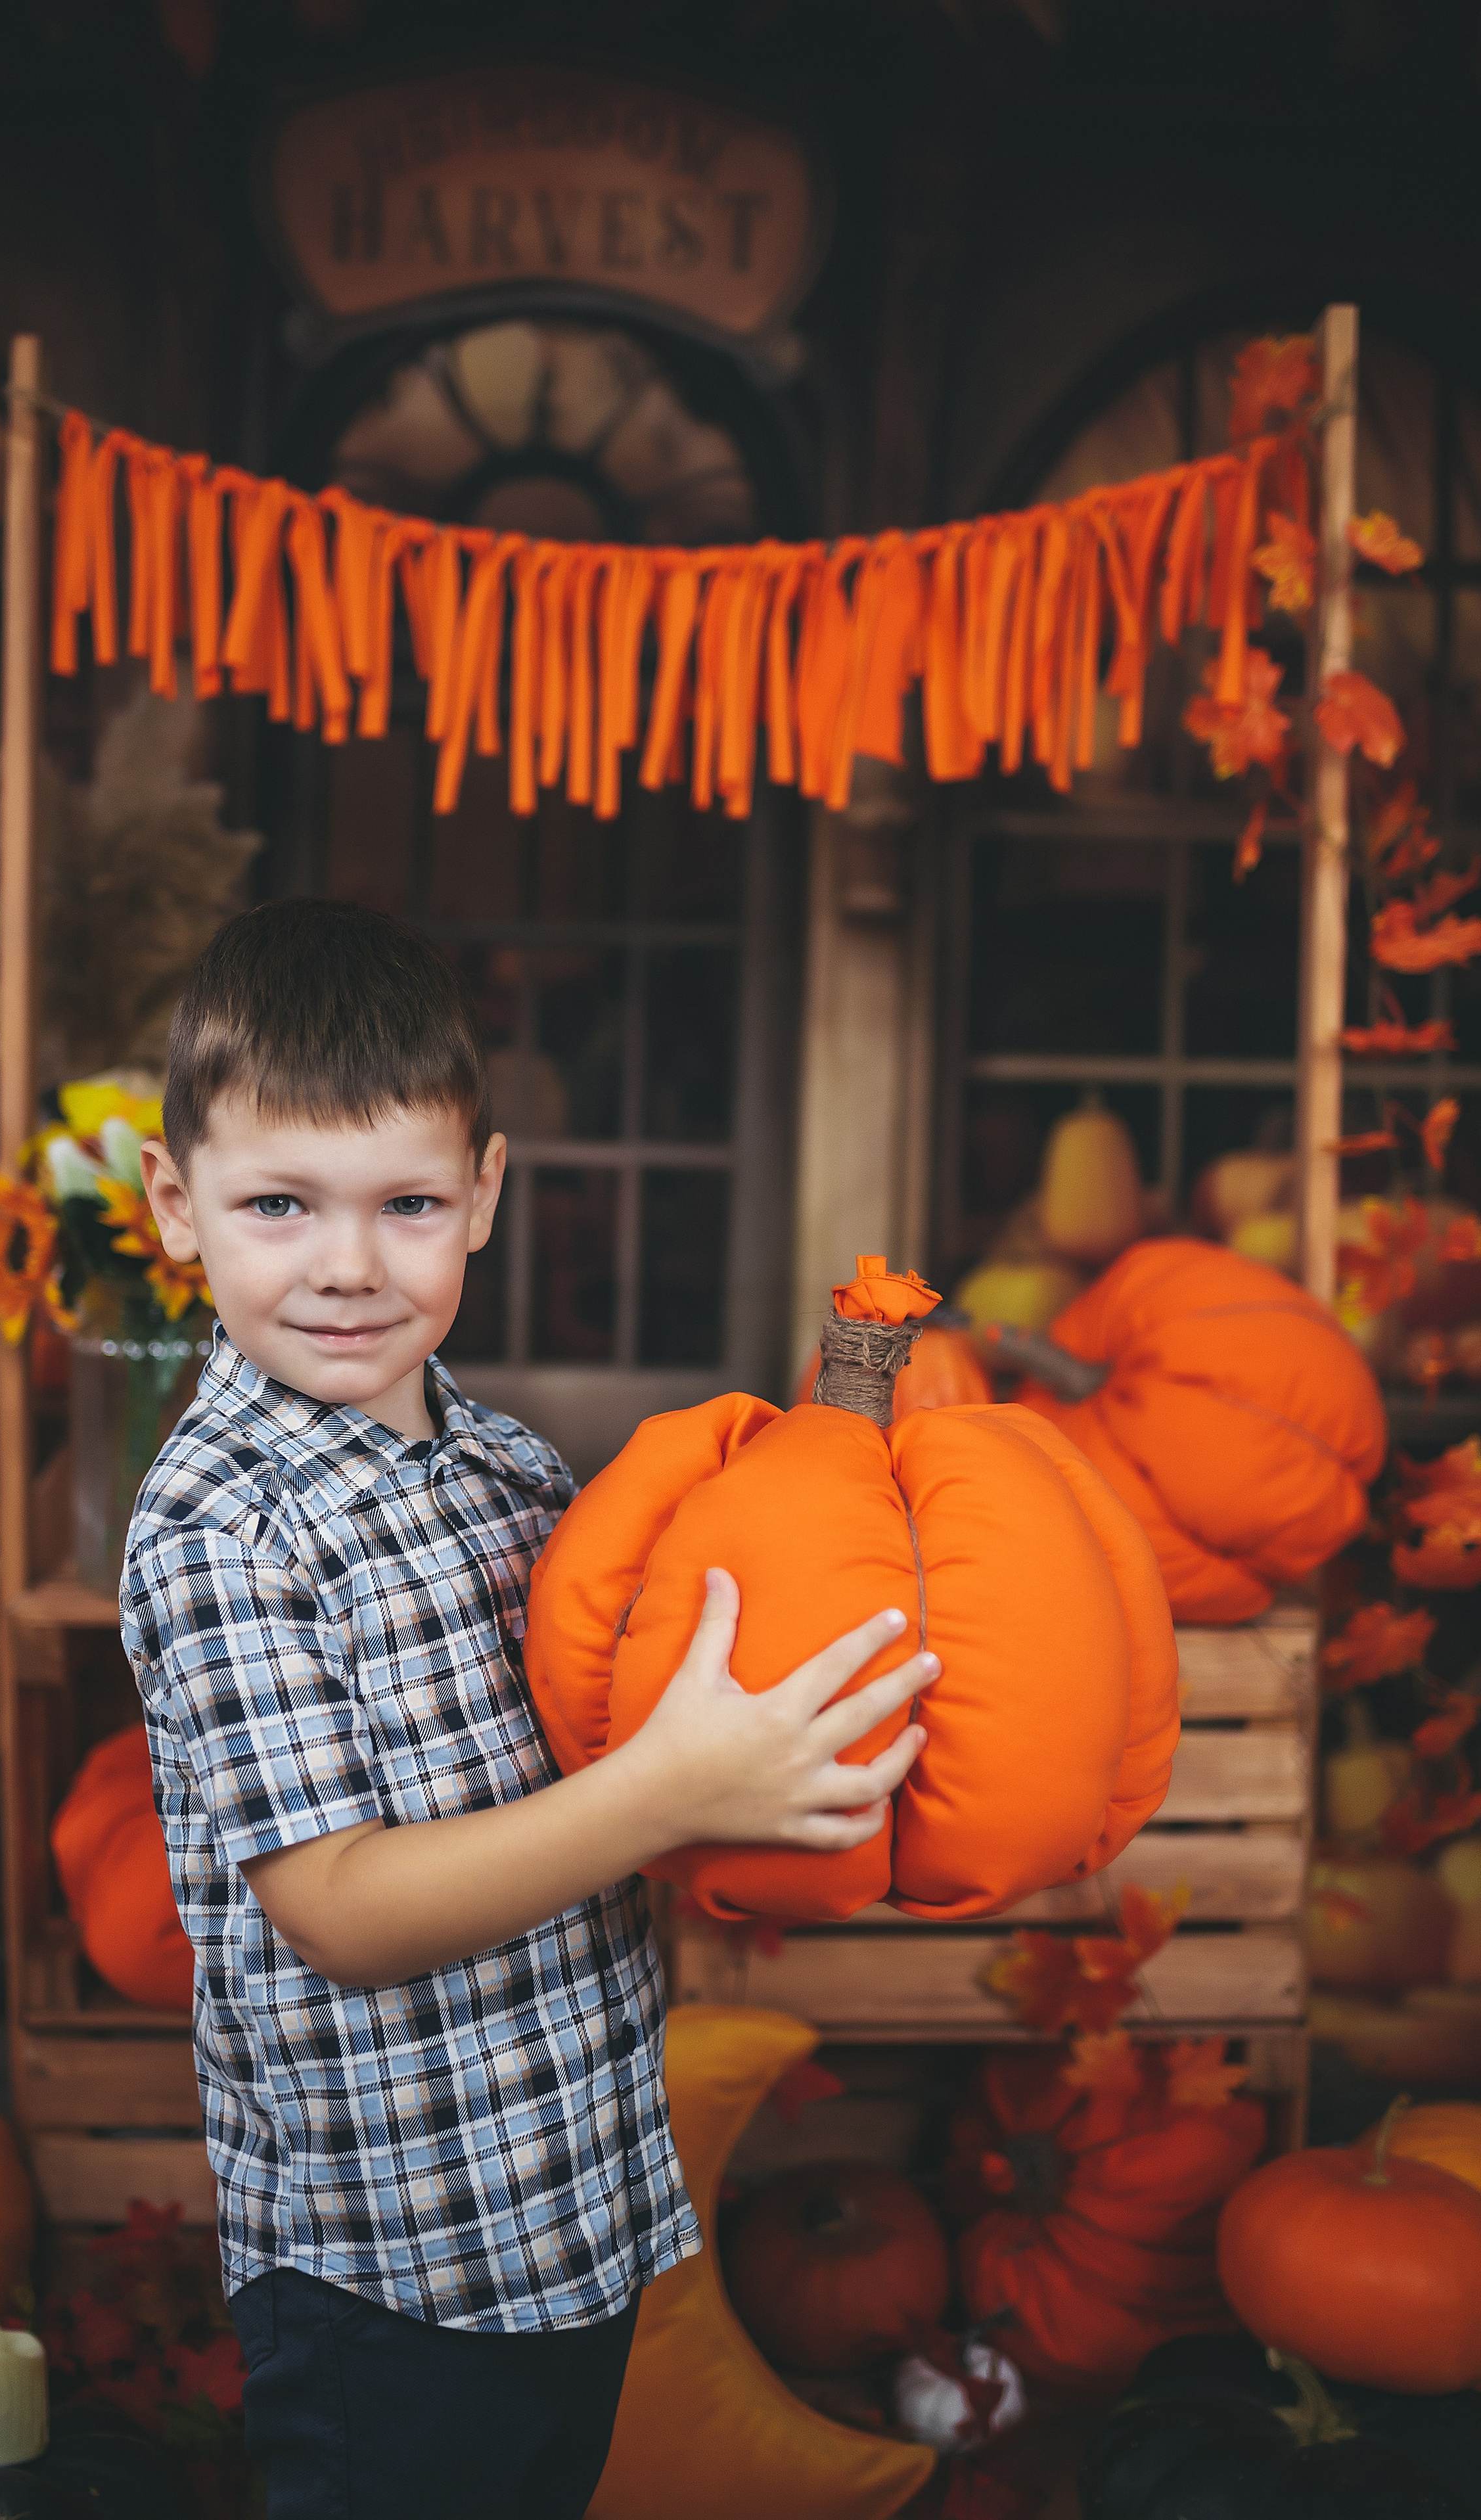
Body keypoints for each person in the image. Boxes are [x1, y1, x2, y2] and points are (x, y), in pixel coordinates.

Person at [122, 898, 934, 2520]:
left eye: (407, 1203)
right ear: (175, 1204)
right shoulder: (218, 1530)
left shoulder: (511, 1474)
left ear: (483, 1195)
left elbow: (591, 1754)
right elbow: (338, 1908)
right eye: (278, 1203)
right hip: (389, 2271)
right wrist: (668, 1792)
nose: (347, 1264)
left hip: (573, 2204)